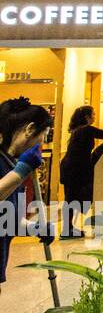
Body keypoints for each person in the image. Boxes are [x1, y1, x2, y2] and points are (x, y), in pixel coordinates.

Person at [0, 98, 54, 288]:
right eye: (44, 135)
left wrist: (34, 228)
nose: (42, 143)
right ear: (30, 129)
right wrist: (22, 170)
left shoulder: (11, 165)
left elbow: (7, 221)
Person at [58, 105, 103, 240]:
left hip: (69, 167)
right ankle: (67, 230)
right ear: (87, 117)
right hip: (74, 169)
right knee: (71, 198)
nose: (94, 117)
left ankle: (67, 228)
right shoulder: (86, 130)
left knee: (70, 197)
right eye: (93, 114)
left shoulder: (77, 131)